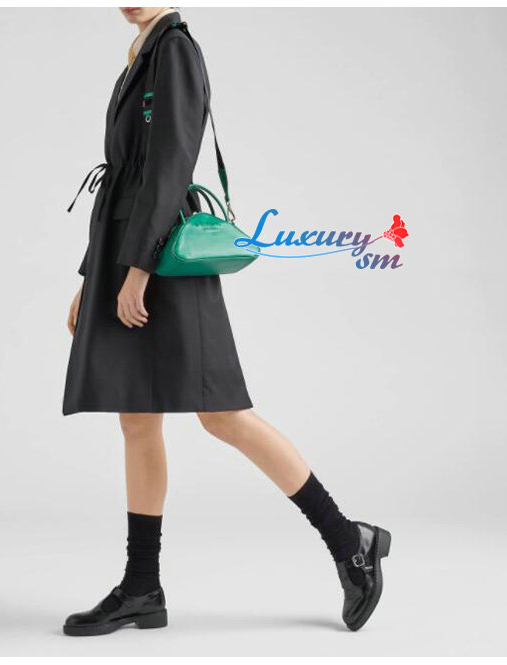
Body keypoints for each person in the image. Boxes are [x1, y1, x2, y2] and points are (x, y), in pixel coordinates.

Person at [61, 7, 390, 637]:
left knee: (222, 413)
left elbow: (171, 164)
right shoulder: (141, 52)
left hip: (159, 260)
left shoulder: (174, 49)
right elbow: (124, 179)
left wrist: (138, 269)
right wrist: (90, 277)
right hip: (127, 255)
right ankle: (142, 586)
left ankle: (351, 542)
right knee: (137, 418)